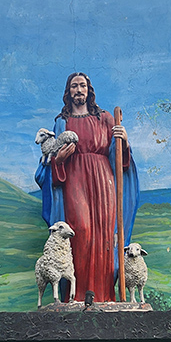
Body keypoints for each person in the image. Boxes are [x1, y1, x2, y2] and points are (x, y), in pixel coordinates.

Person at [34, 72, 140, 302]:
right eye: (74, 86)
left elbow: (119, 158)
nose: (78, 90)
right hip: (74, 179)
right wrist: (59, 160)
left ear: (89, 90)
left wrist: (125, 141)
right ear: (68, 91)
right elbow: (50, 157)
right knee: (81, 230)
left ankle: (103, 296)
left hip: (104, 182)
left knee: (103, 234)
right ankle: (75, 295)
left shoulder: (104, 118)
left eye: (82, 85)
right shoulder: (62, 122)